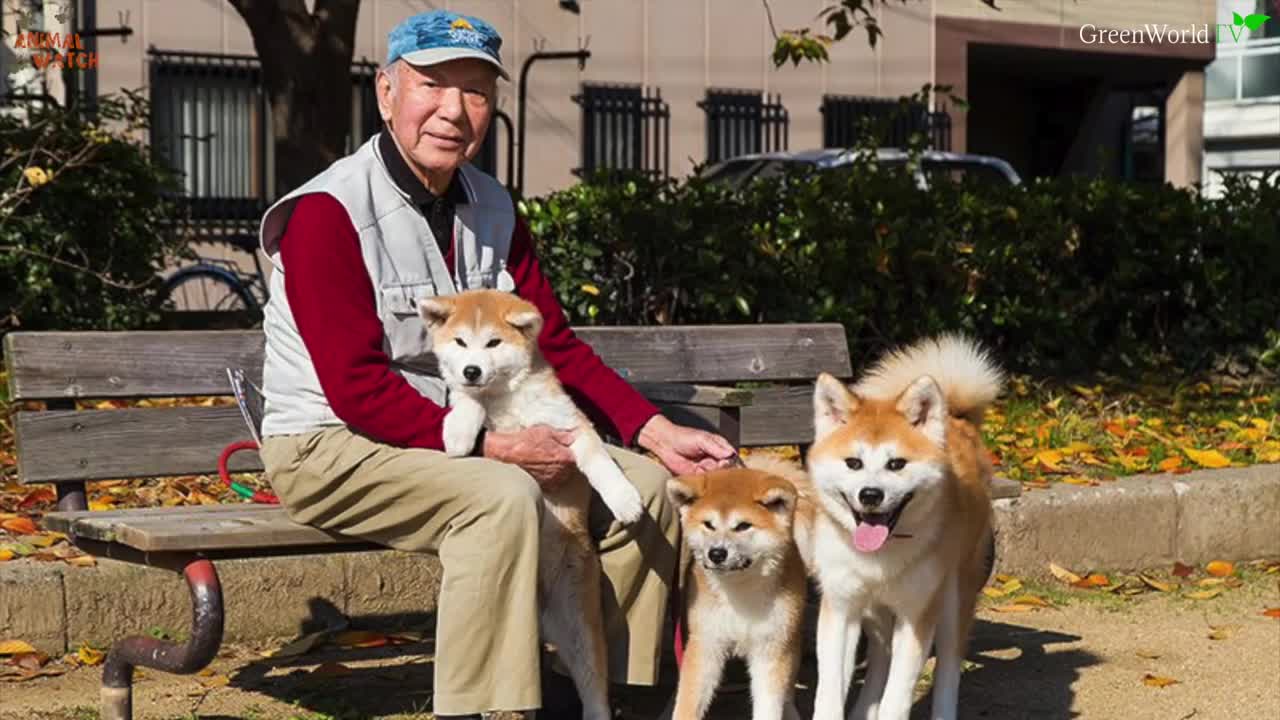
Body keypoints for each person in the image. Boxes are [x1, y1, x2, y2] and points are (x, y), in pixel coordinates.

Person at [254, 8, 736, 719]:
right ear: (387, 92)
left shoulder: (492, 206)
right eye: (432, 85)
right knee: (500, 497)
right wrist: (498, 448)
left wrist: (654, 431)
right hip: (330, 445)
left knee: (647, 488)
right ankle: (488, 707)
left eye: (476, 92)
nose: (454, 110)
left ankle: (605, 695)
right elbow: (357, 390)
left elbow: (557, 347)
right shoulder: (330, 212)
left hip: (457, 439)